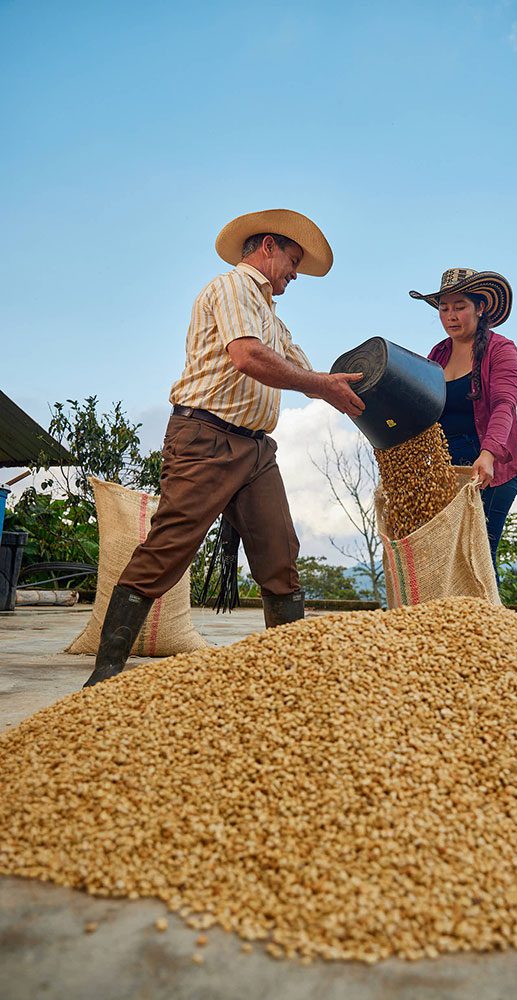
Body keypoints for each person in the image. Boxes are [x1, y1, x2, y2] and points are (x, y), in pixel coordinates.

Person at [84, 209, 364, 688]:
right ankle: (106, 671)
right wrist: (321, 384)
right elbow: (247, 357)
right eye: (293, 260)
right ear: (268, 246)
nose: (296, 273)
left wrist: (358, 394)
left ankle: (288, 674)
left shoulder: (273, 320)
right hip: (206, 439)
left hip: (256, 451)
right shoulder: (231, 289)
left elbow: (312, 377)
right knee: (168, 548)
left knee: (280, 554)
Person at [409, 268, 517, 579]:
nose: (451, 315)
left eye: (460, 306)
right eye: (444, 308)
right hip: (449, 471)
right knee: (448, 557)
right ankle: (453, 626)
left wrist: (488, 454)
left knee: (479, 556)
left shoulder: (501, 350)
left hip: (491, 468)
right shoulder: (438, 354)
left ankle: (491, 626)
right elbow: (422, 406)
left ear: (480, 307)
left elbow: (505, 406)